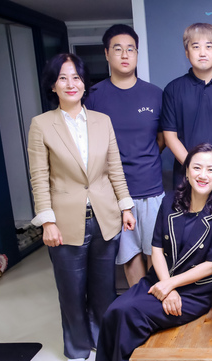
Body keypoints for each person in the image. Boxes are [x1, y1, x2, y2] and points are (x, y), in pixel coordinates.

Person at [93, 143, 212, 361]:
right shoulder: (170, 200)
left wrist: (172, 286)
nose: (203, 175)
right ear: (187, 171)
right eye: (197, 168)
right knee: (115, 310)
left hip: (193, 291)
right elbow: (156, 248)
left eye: (210, 169)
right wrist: (166, 285)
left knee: (130, 312)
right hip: (159, 279)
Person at [27, 53, 136, 361]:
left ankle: (102, 339)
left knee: (103, 288)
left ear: (85, 83)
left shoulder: (102, 121)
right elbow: (39, 177)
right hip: (64, 221)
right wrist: (47, 221)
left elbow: (115, 168)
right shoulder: (41, 125)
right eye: (62, 78)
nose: (70, 84)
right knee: (71, 290)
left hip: (105, 217)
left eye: (76, 77)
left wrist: (126, 206)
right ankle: (76, 346)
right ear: (53, 85)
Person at [85, 24, 164, 287]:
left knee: (156, 252)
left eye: (131, 49)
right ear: (106, 54)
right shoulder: (93, 97)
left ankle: (155, 305)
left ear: (137, 53)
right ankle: (138, 305)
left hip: (152, 188)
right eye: (118, 49)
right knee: (130, 255)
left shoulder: (154, 94)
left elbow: (162, 138)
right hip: (114, 193)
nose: (125, 54)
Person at [161, 23, 212, 219]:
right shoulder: (173, 90)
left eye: (209, 46)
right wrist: (195, 169)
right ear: (186, 52)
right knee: (186, 234)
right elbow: (170, 137)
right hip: (185, 180)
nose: (202, 52)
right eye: (195, 46)